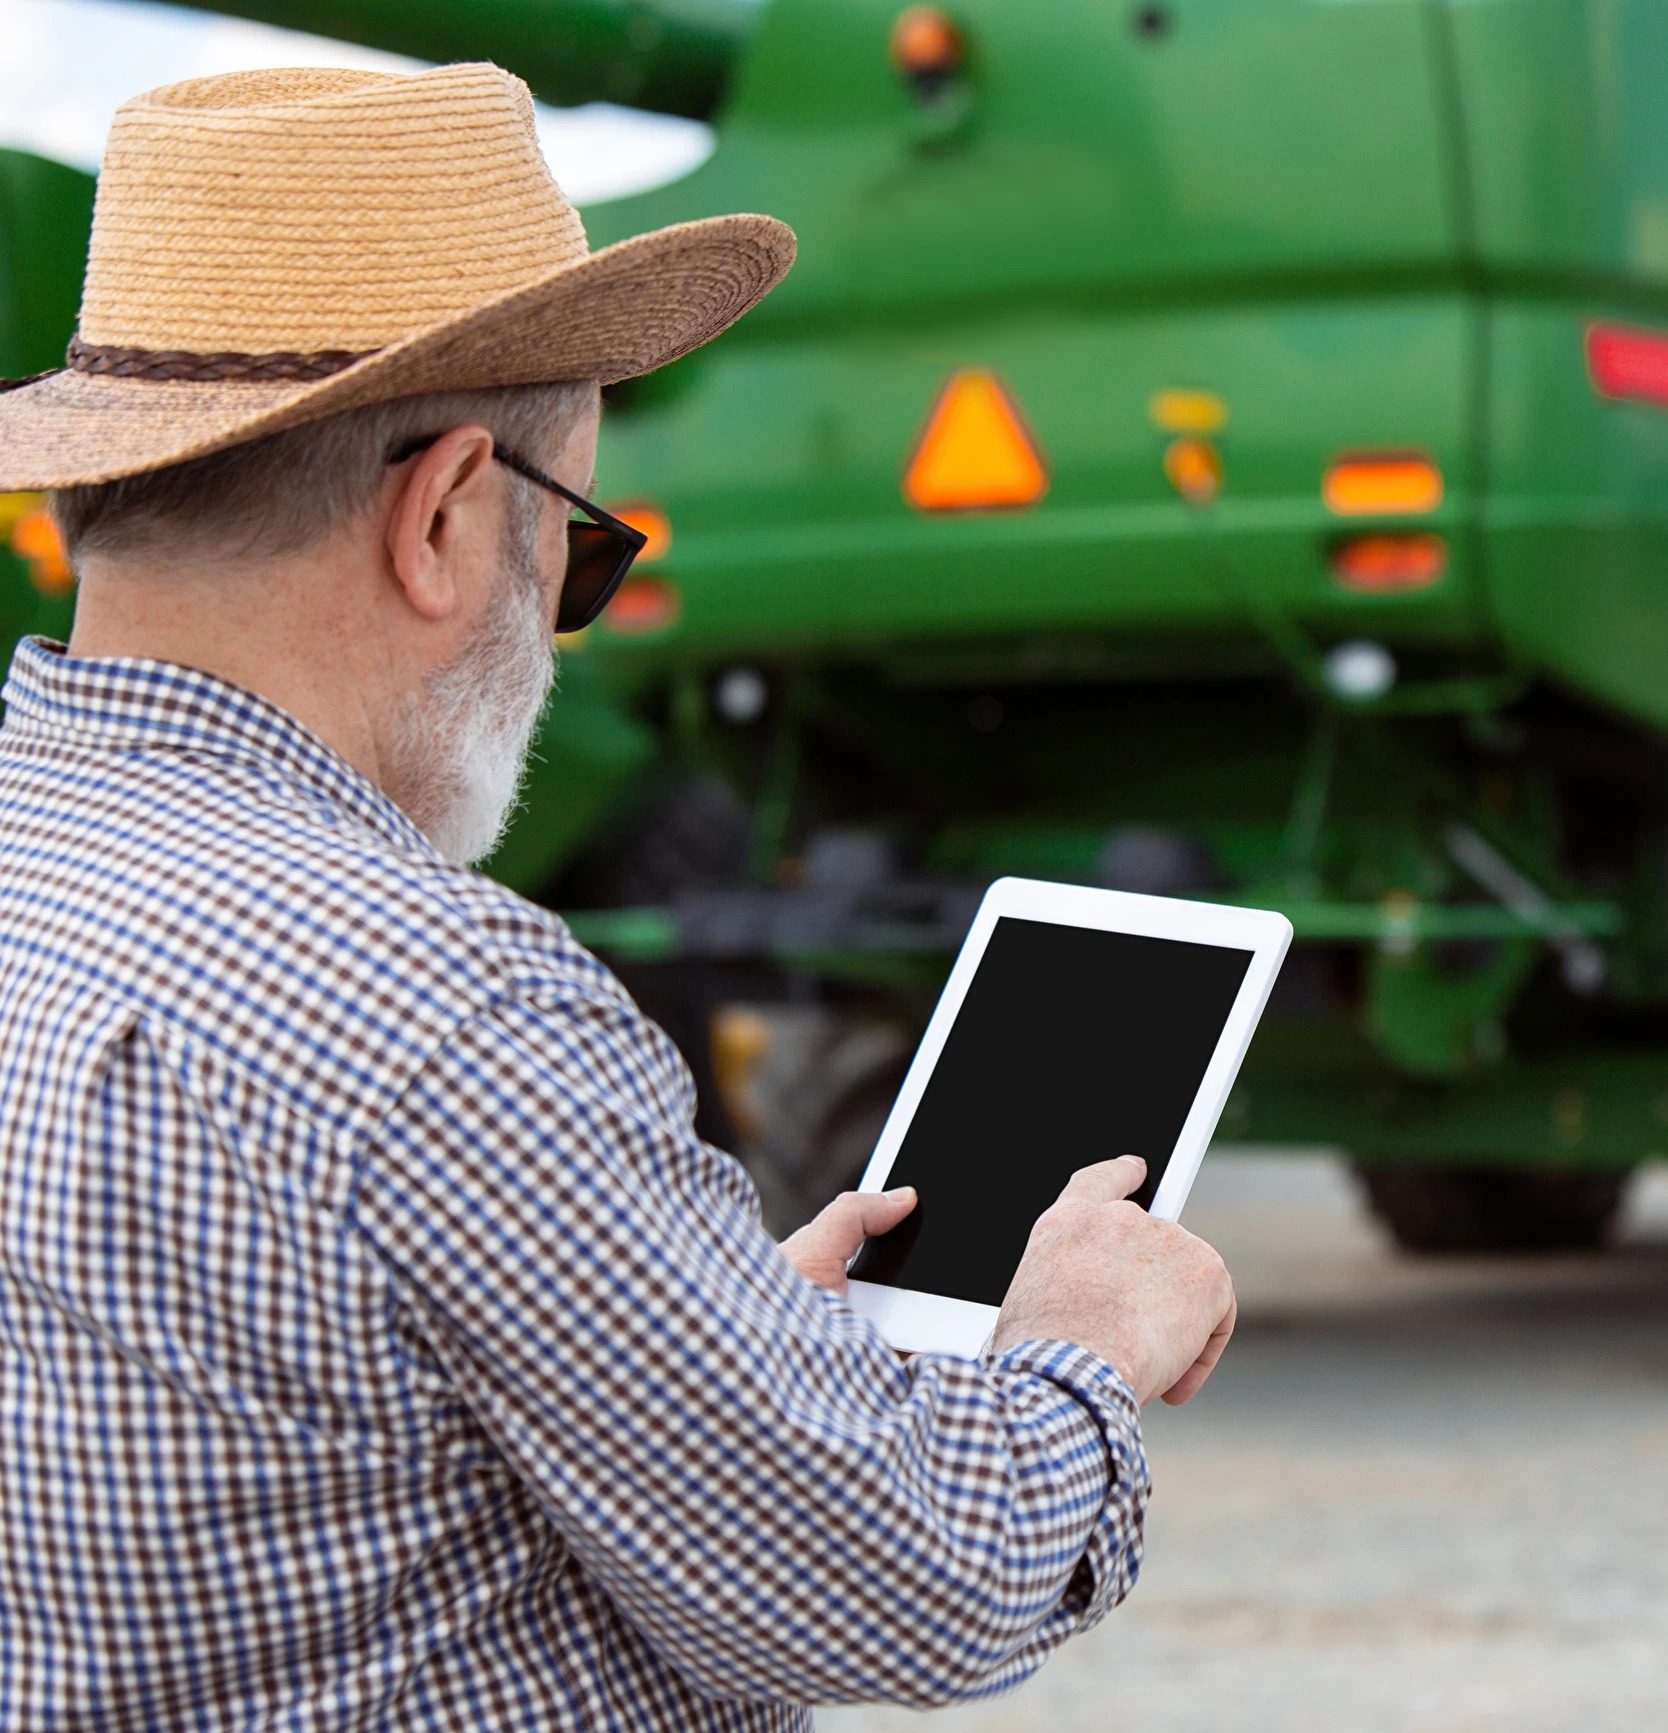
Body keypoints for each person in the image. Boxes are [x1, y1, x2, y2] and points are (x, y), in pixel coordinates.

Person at [0, 63, 1235, 1729]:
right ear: (441, 517)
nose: (564, 612)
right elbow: (903, 1587)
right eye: (579, 545)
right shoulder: (438, 1010)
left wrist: (706, 1335)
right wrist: (1080, 1351)